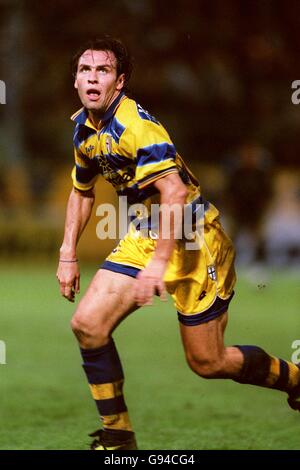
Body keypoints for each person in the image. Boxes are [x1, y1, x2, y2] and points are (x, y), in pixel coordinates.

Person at [56, 36, 300, 451]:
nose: (92, 78)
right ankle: (118, 437)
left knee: (208, 362)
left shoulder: (138, 129)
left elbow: (174, 194)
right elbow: (82, 191)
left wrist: (160, 263)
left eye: (103, 71)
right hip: (146, 234)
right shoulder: (84, 128)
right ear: (76, 80)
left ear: (120, 82)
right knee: (88, 325)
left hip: (194, 240)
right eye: (85, 70)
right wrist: (67, 254)